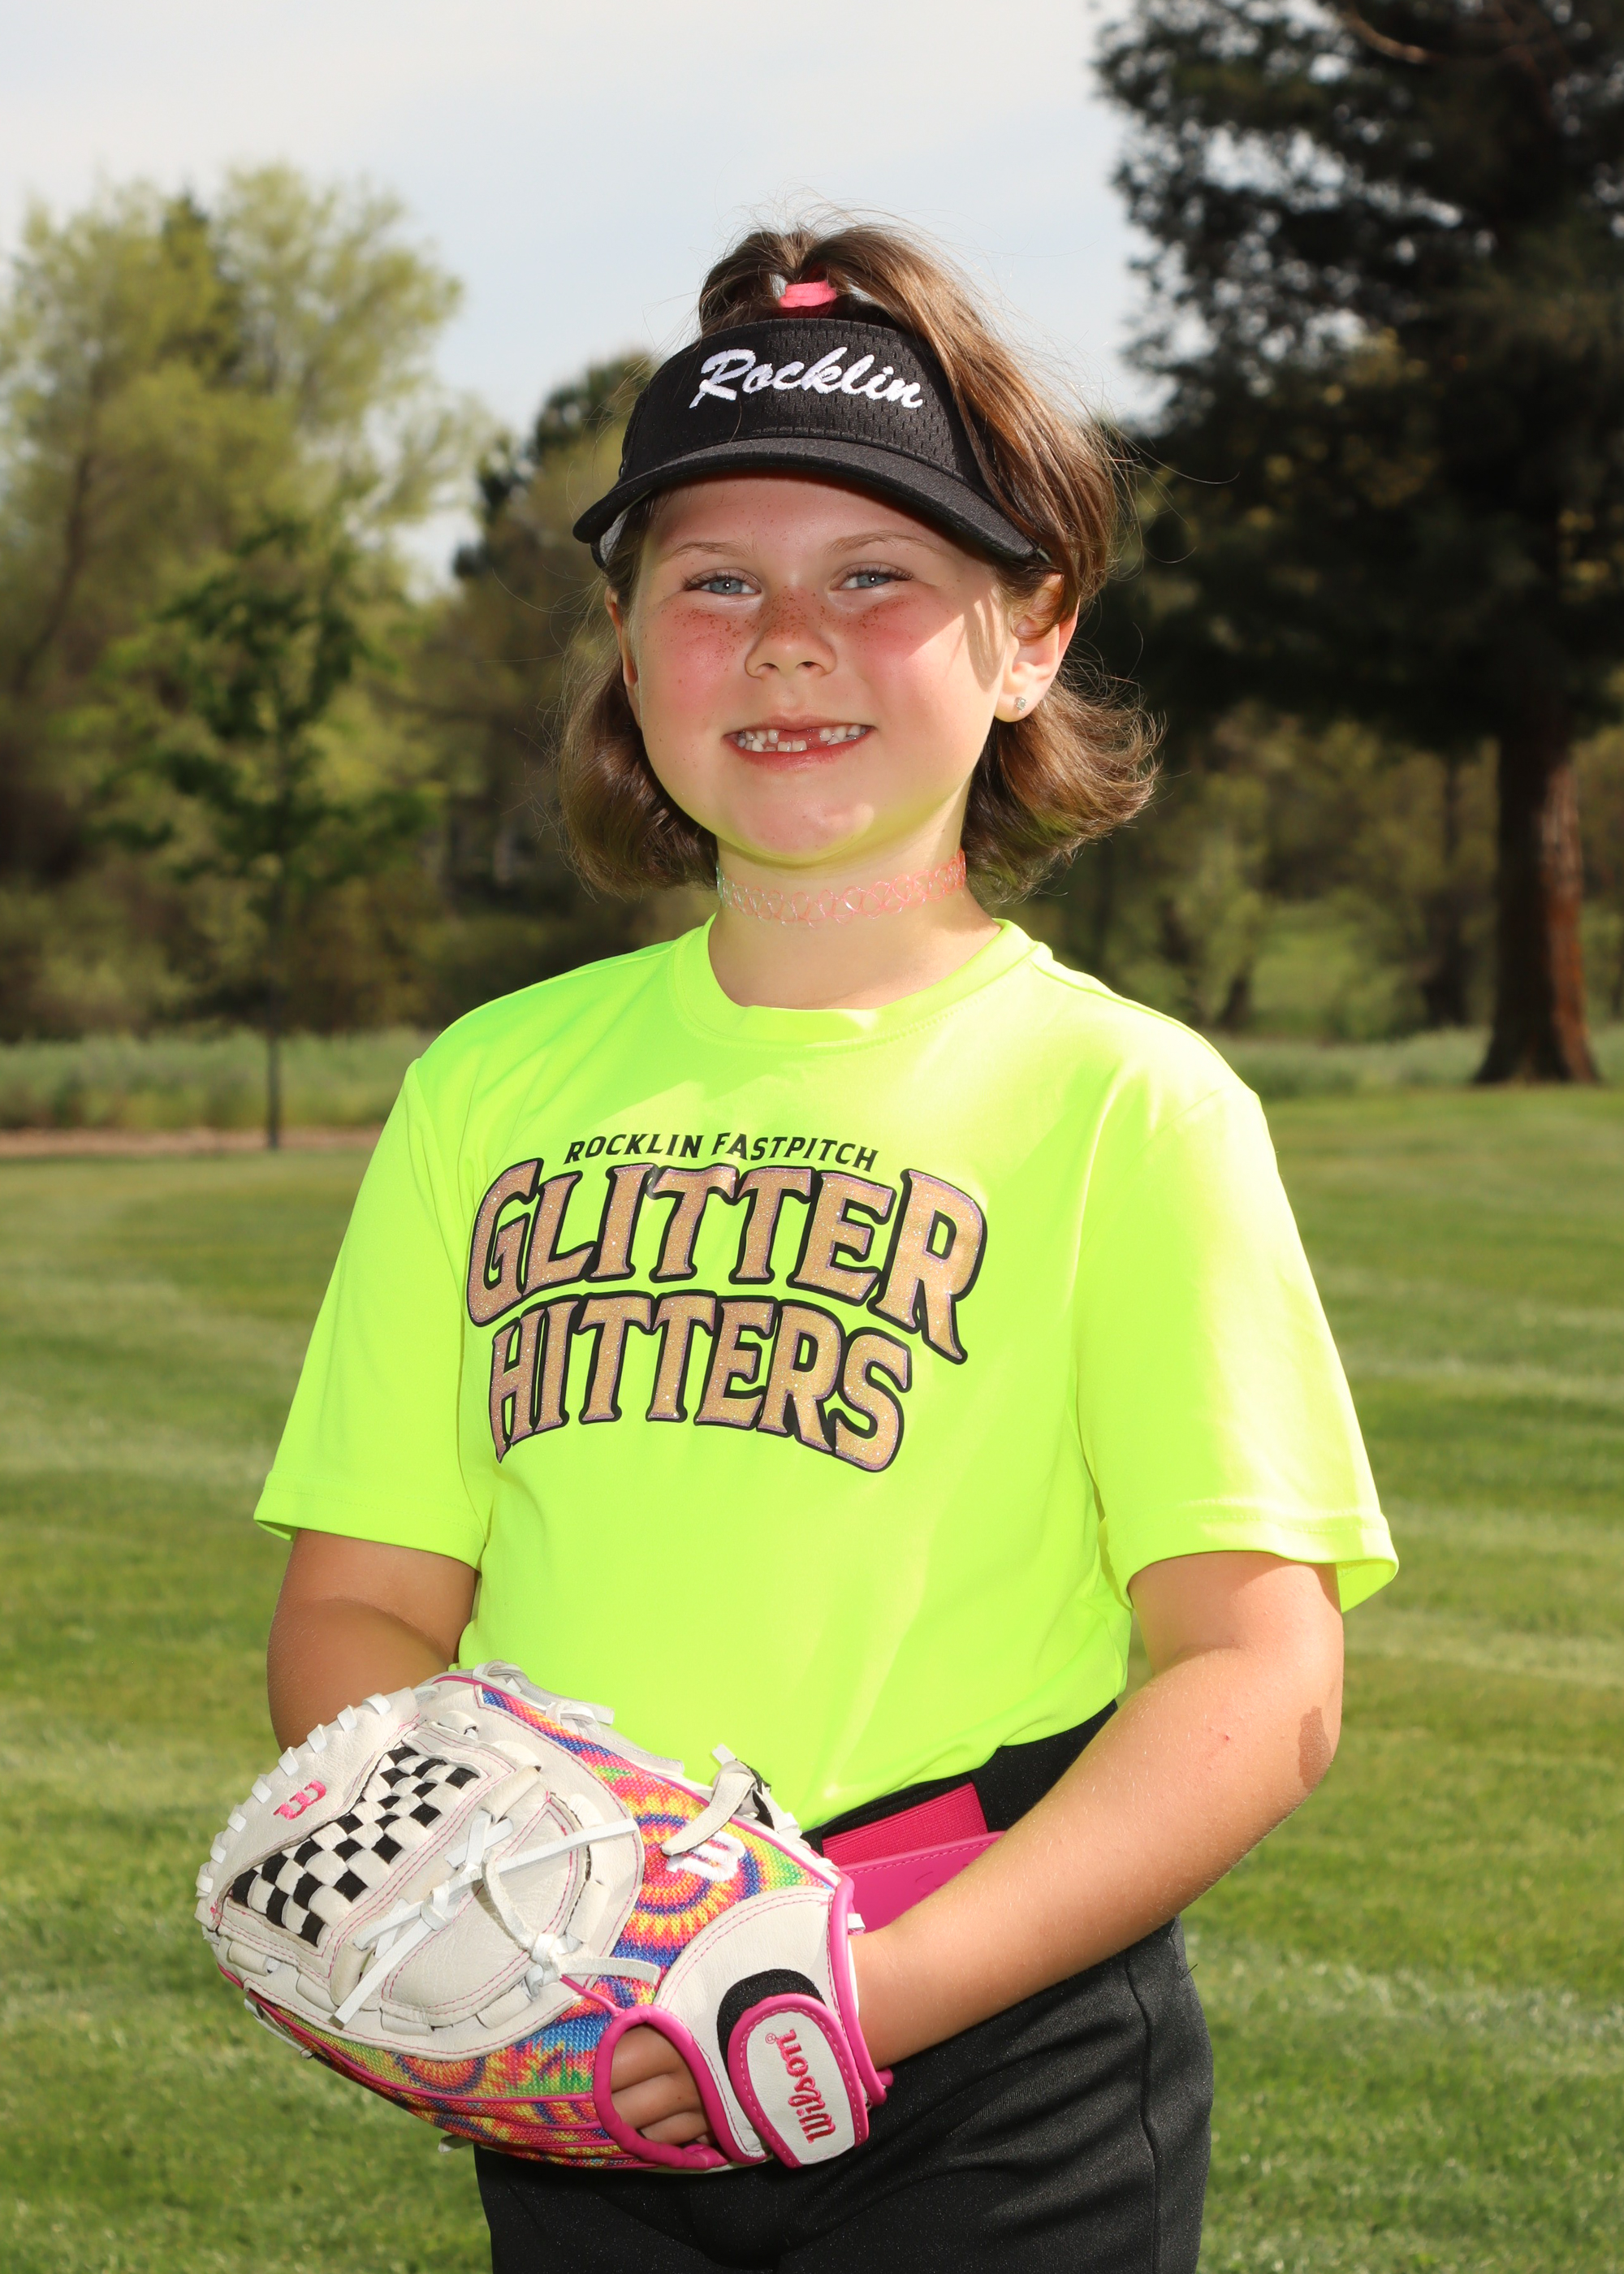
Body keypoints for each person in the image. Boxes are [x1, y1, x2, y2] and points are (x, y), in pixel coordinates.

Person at [257, 221, 1396, 2273]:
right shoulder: (489, 1088)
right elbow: (359, 1604)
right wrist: (503, 1909)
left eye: (876, 576)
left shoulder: (1124, 1103)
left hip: (990, 2055)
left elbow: (1258, 1673)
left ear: (1029, 638)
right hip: (589, 2041)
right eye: (714, 582)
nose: (789, 642)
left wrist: (848, 1992)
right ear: (629, 650)